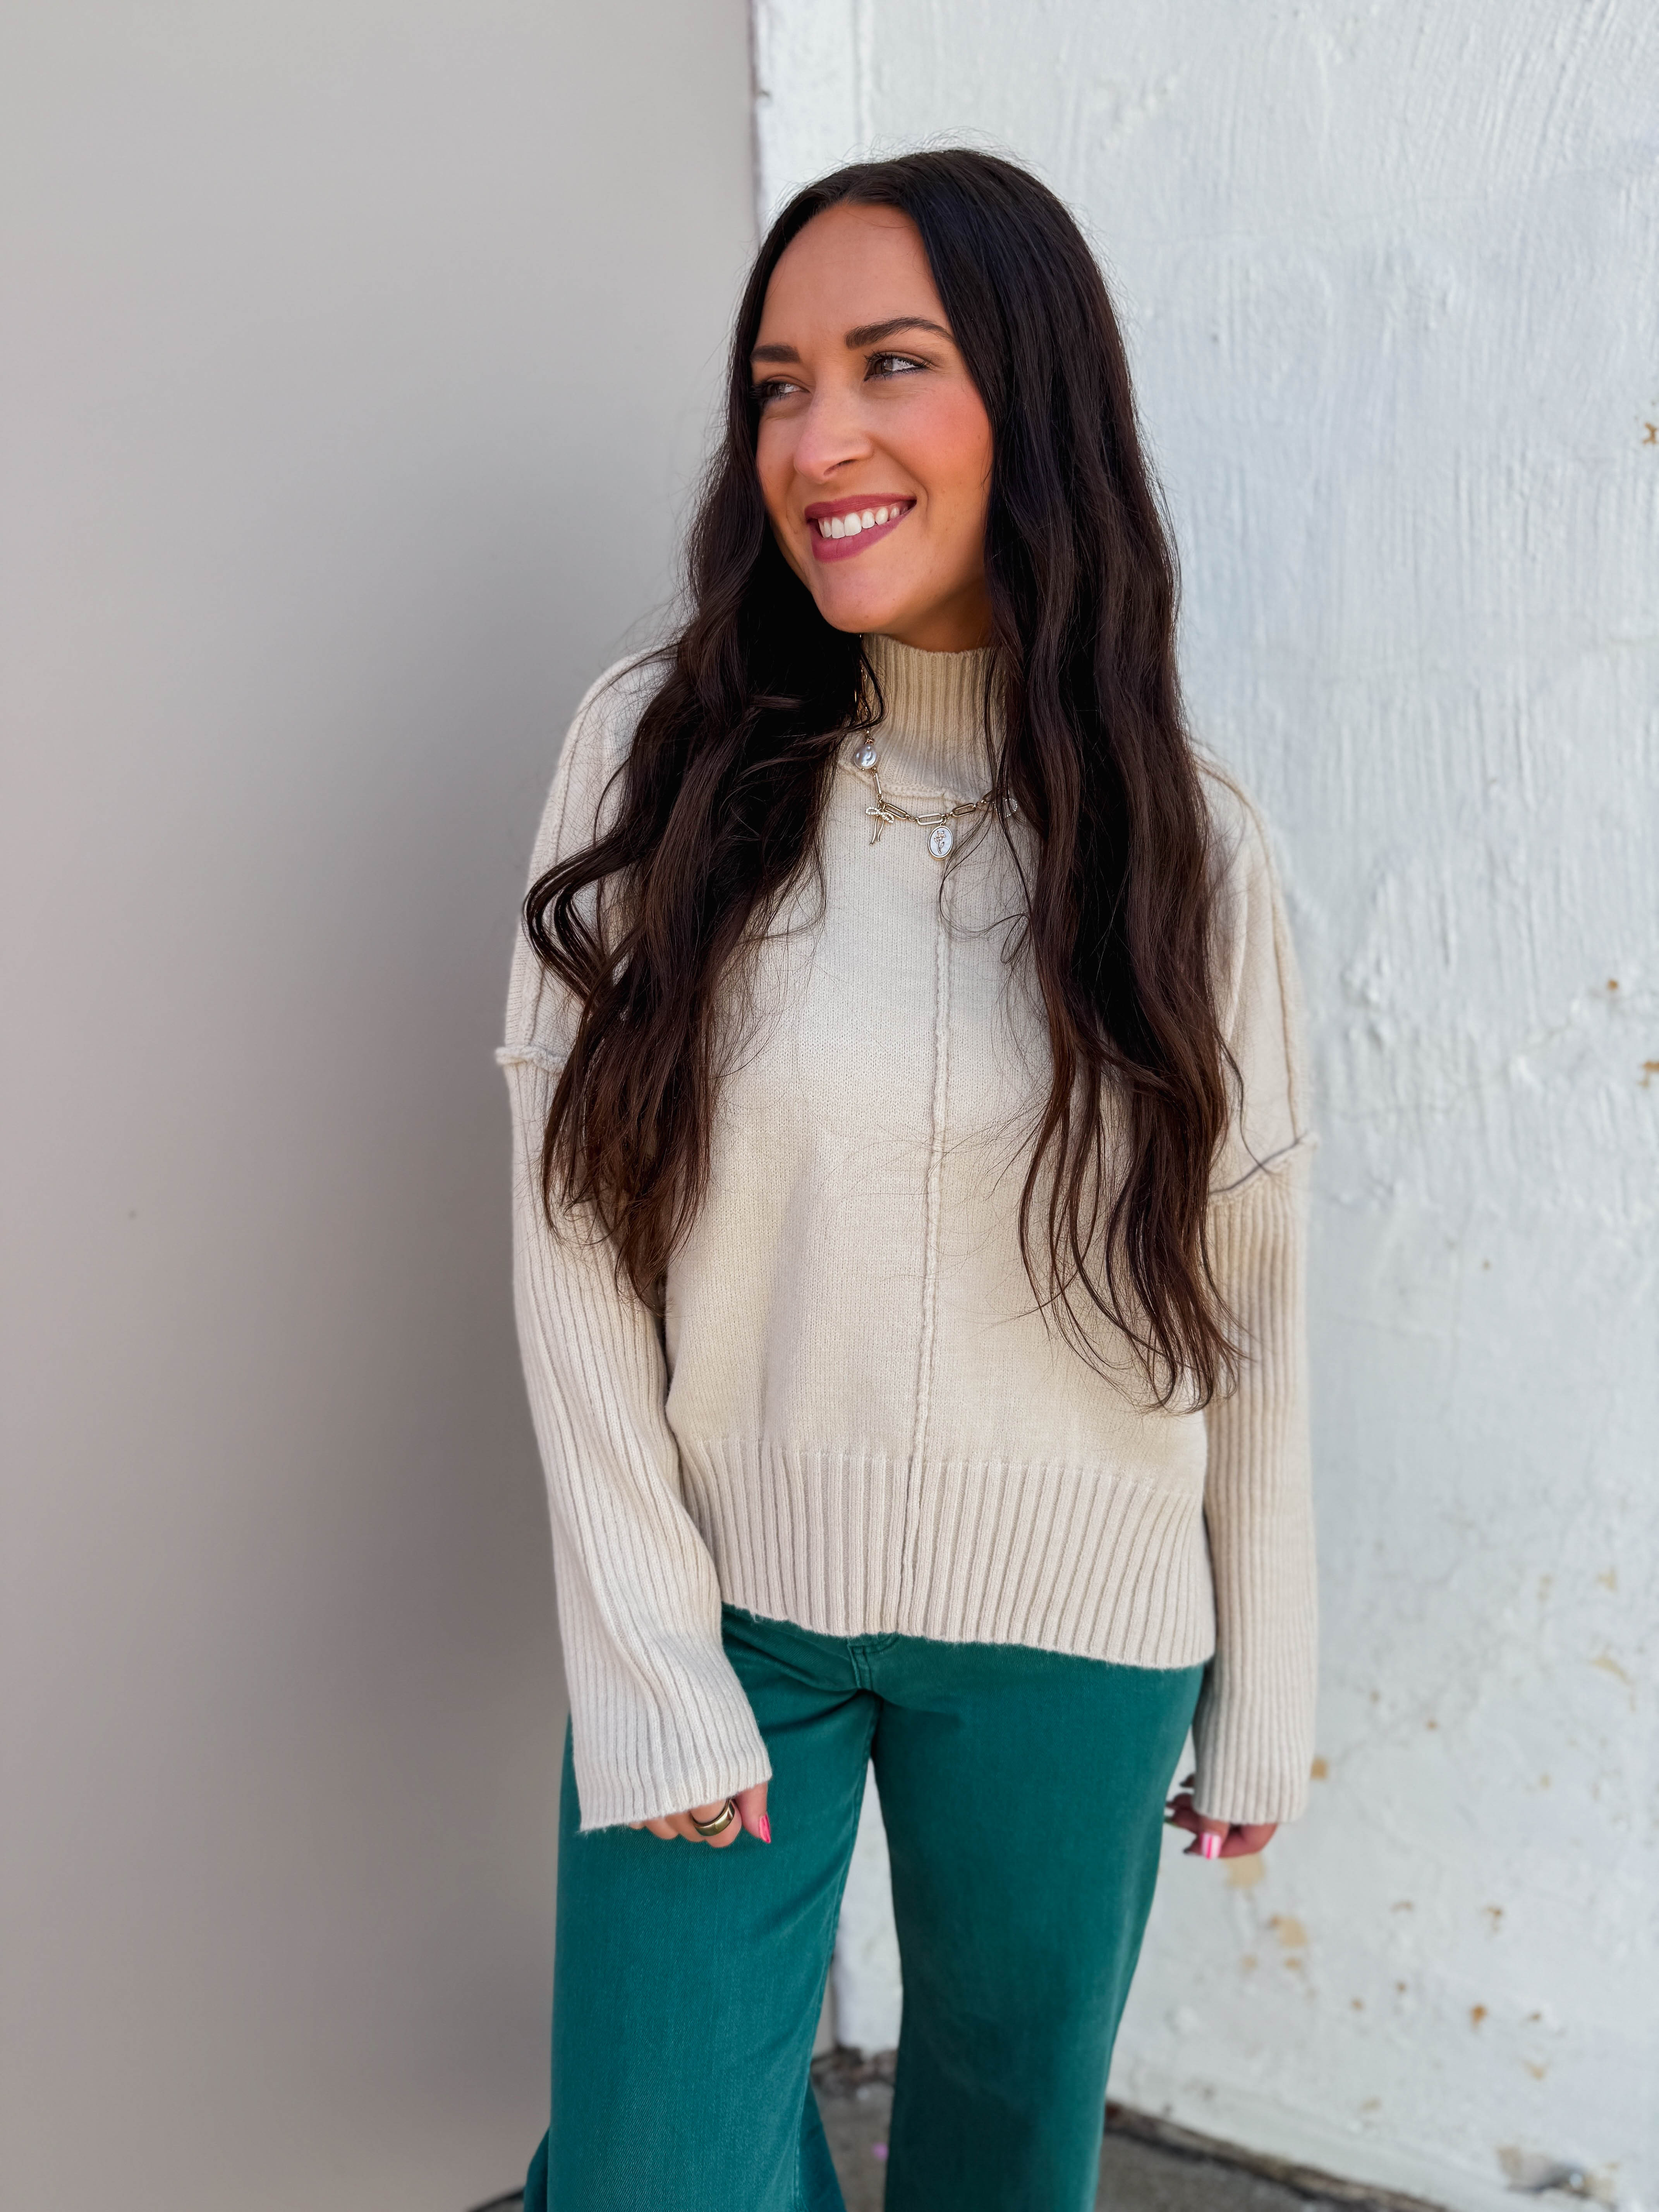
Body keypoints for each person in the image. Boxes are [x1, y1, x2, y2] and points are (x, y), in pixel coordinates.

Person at [499, 148, 1316, 2212]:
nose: (816, 441)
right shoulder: (656, 754)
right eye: (778, 384)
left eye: (890, 364)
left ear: (1030, 398)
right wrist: (648, 1661)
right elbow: (574, 1235)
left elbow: (1245, 1279)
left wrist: (1269, 1681)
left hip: (1082, 1639)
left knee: (1003, 2163)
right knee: (655, 2173)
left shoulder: (1189, 837)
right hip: (732, 1608)